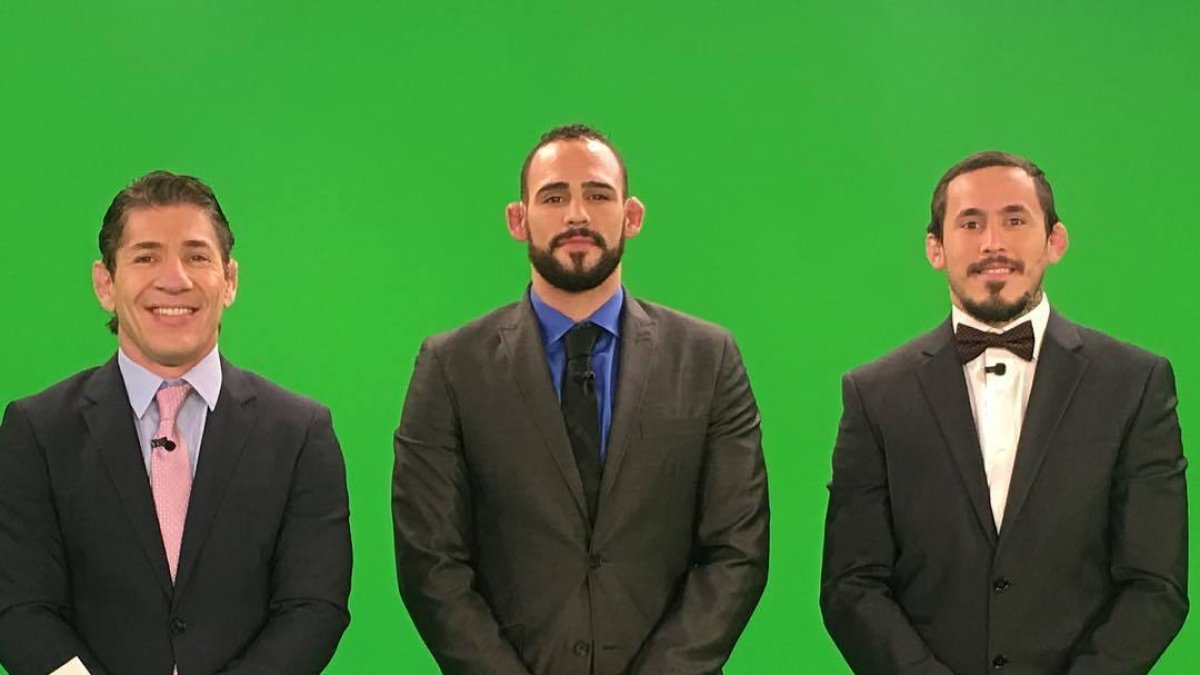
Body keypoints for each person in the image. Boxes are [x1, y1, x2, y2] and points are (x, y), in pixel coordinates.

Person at [393, 124, 769, 674]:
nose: (577, 215)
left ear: (631, 216)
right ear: (518, 220)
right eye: (553, 197)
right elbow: (430, 562)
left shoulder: (708, 360)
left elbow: (737, 551)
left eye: (597, 195)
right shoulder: (450, 368)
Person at [820, 151, 1187, 674]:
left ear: (1054, 240)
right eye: (971, 223)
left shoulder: (1135, 383)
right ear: (936, 248)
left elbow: (1156, 585)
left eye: (1015, 220)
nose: (993, 242)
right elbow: (850, 585)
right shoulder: (874, 394)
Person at [0, 171, 352, 675]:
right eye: (146, 256)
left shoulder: (299, 433)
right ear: (106, 283)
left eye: (196, 256)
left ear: (229, 280)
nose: (175, 278)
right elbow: (19, 609)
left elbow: (314, 607)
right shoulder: (36, 431)